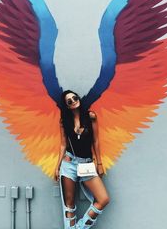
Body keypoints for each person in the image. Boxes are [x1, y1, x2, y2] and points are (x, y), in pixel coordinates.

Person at [54, 90, 110, 229]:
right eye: (69, 101)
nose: (73, 101)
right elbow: (63, 144)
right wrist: (57, 166)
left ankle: (78, 228)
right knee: (69, 205)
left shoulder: (90, 116)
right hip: (69, 163)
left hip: (86, 164)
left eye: (74, 97)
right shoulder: (64, 121)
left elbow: (95, 141)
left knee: (103, 199)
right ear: (67, 106)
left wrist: (99, 162)